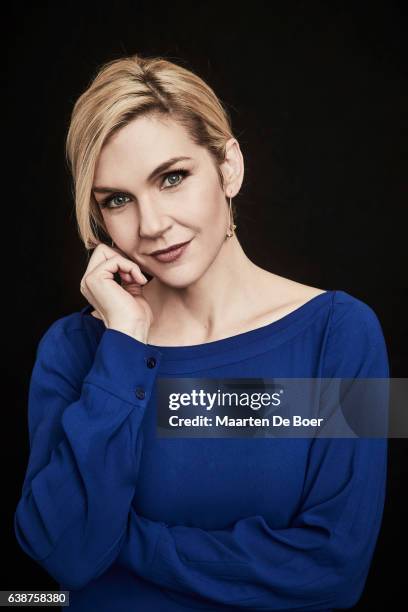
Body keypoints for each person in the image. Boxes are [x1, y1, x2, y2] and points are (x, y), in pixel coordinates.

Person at [14, 53, 389, 611]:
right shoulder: (76, 348)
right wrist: (125, 343)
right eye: (118, 200)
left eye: (172, 178)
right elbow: (62, 557)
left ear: (229, 166)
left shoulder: (342, 334)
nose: (151, 224)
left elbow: (336, 570)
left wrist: (119, 541)